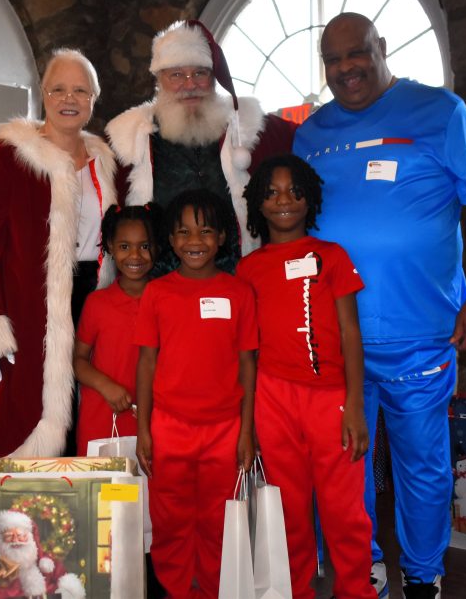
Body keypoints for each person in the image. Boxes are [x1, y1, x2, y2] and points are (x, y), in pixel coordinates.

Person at [294, 12, 466, 598]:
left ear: (381, 49)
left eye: (356, 54)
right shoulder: (309, 135)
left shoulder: (441, 112)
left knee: (424, 463)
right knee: (345, 466)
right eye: (332, 61)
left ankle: (422, 574)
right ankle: (361, 567)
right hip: (338, 337)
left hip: (422, 334)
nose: (346, 69)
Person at [0, 48, 117, 460]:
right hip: (29, 310)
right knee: (24, 418)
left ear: (93, 100)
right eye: (59, 89)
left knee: (88, 419)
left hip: (93, 303)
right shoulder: (8, 157)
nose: (69, 99)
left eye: (80, 91)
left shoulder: (107, 163)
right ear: (43, 93)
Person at [237, 155, 373, 599]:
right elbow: (247, 351)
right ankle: (297, 590)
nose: (283, 201)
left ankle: (356, 590)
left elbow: (352, 333)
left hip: (330, 398)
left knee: (343, 510)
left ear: (309, 199)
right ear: (258, 202)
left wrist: (354, 404)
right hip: (272, 401)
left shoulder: (331, 257)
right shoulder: (248, 269)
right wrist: (251, 419)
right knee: (290, 510)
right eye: (272, 192)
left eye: (295, 192)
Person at [134, 188, 257, 599]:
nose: (194, 241)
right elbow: (147, 363)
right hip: (169, 427)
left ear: (222, 237)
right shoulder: (158, 292)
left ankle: (209, 589)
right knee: (169, 518)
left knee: (217, 519)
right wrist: (144, 429)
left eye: (205, 231)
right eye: (184, 232)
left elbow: (247, 364)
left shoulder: (239, 293)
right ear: (171, 240)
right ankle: (175, 589)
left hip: (225, 429)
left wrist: (246, 431)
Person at [106, 19, 297, 273]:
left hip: (239, 279)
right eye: (176, 75)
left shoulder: (249, 128)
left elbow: (311, 136)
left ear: (213, 77)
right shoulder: (128, 141)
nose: (189, 84)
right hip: (161, 286)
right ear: (159, 79)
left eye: (199, 73)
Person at [73, 203, 160, 454]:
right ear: (110, 245)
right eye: (124, 247)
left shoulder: (167, 300)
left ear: (157, 246)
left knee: (147, 492)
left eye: (144, 246)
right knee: (102, 491)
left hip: (154, 422)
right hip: (101, 420)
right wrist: (105, 385)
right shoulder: (97, 303)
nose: (135, 256)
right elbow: (78, 360)